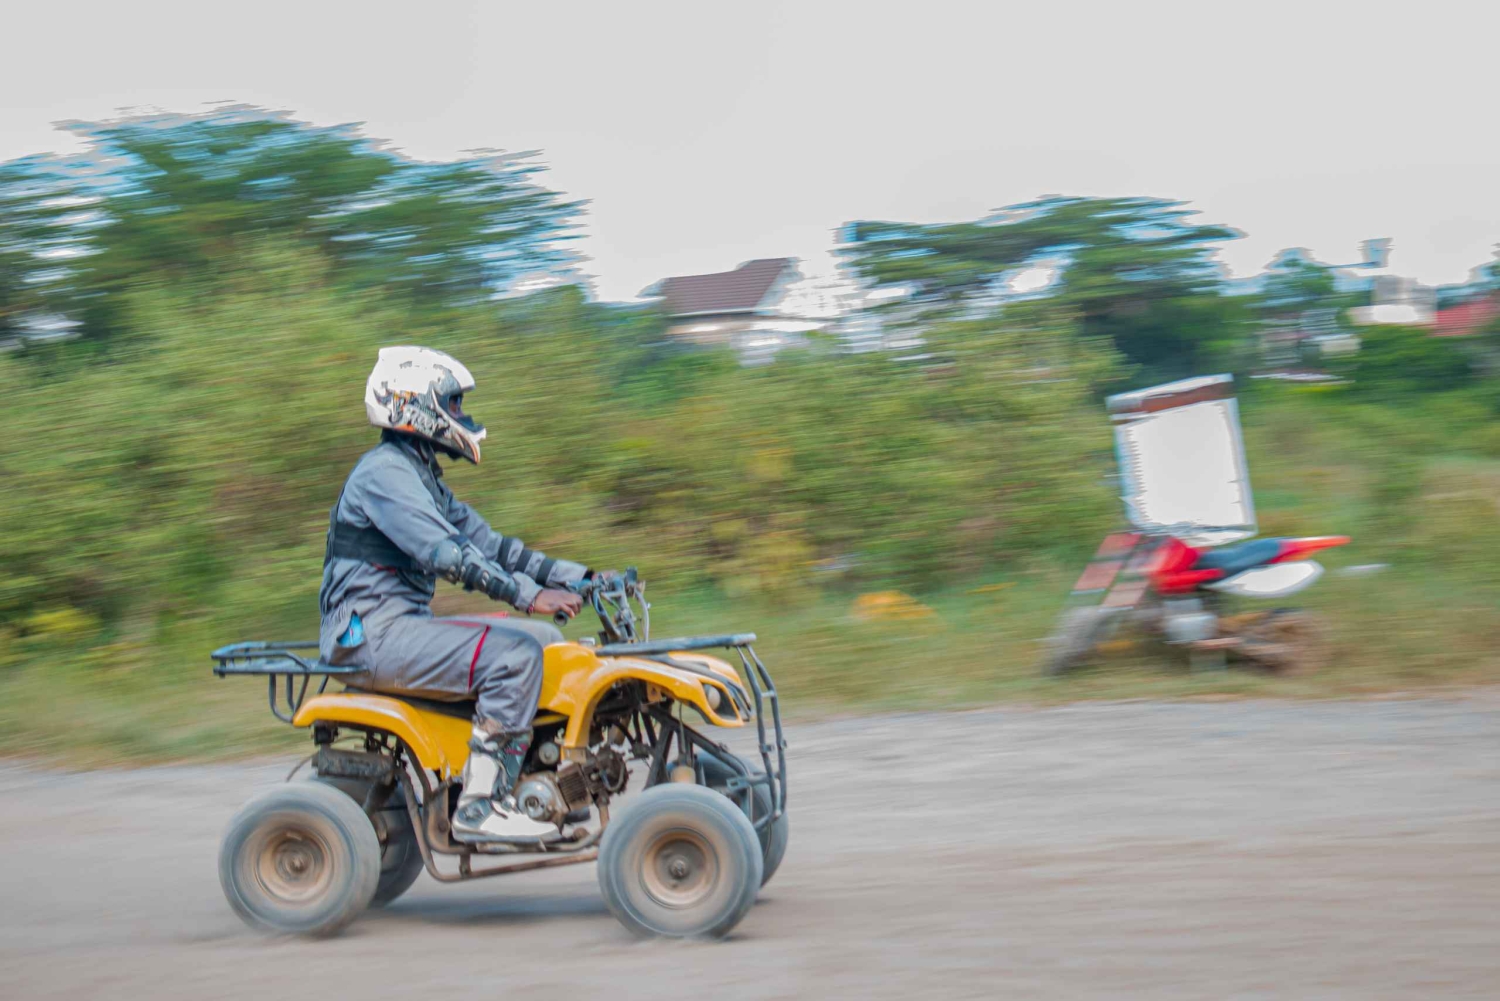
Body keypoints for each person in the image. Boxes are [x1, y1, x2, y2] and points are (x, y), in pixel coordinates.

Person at [319, 346, 603, 844]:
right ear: (412, 404)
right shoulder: (384, 474)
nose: (460, 415)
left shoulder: (418, 472)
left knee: (543, 642)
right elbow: (447, 554)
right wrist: (528, 596)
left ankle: (534, 785)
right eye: (451, 404)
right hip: (372, 636)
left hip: (401, 627)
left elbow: (489, 546)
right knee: (514, 656)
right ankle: (479, 806)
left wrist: (582, 577)